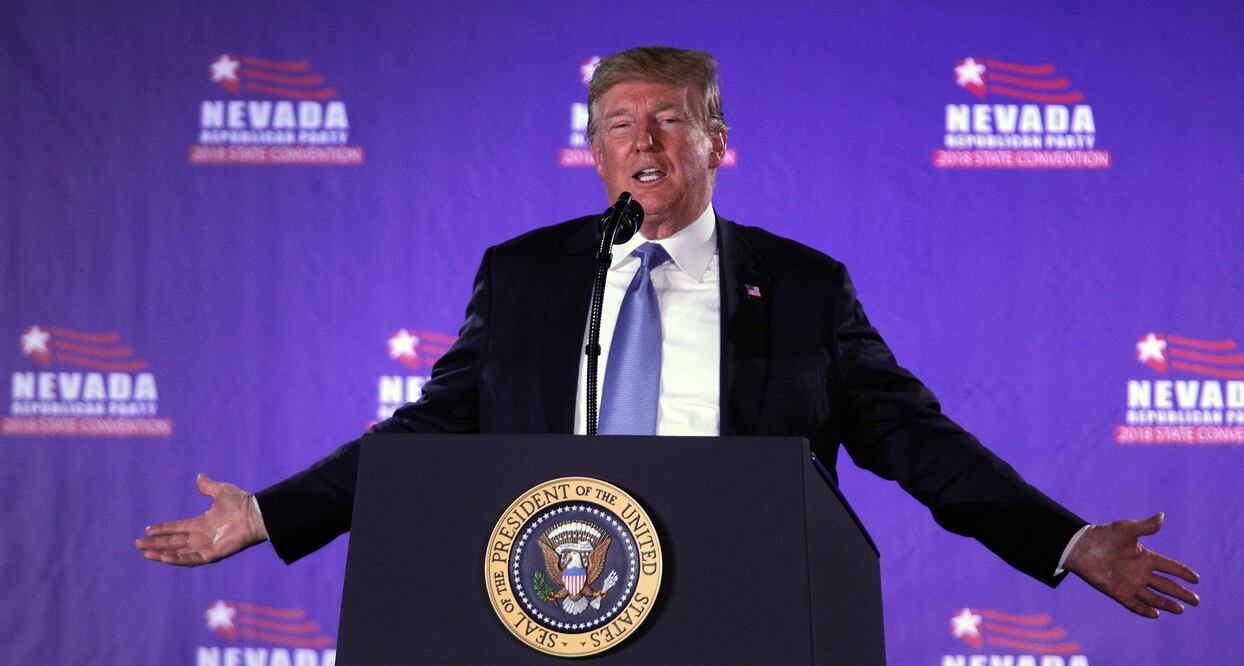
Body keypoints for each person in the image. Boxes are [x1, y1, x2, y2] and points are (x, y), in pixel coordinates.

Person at [137, 46, 1199, 619]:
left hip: (746, 606)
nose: (641, 140)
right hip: (557, 604)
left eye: (668, 120)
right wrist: (271, 515)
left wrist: (1060, 541)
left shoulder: (798, 285)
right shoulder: (523, 277)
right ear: (593, 154)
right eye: (616, 124)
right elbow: (435, 428)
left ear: (714, 143)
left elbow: (914, 441)